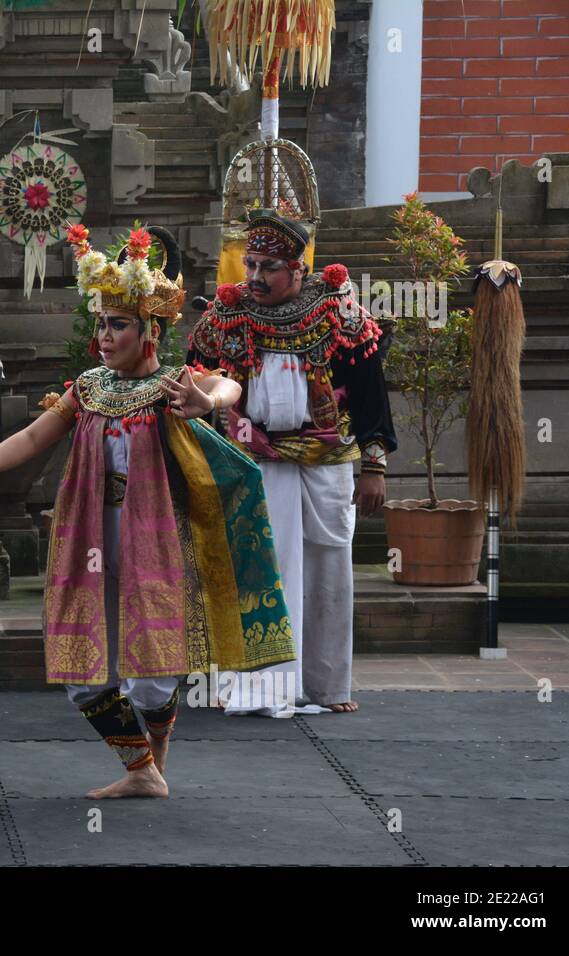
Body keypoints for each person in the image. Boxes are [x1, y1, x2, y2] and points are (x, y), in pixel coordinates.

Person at [0, 224, 295, 797]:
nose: (106, 335)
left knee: (154, 666)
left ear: (150, 330)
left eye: (119, 324)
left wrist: (207, 400)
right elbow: (31, 438)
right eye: (102, 323)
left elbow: (226, 385)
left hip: (155, 539)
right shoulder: (88, 388)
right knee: (83, 666)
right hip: (90, 537)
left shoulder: (174, 387)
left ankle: (151, 768)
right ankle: (141, 771)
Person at [188, 209, 397, 715]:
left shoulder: (337, 312)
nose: (255, 277)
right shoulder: (225, 315)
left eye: (268, 267)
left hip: (326, 460)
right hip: (253, 461)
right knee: (261, 570)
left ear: (299, 269)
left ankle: (324, 688)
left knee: (328, 569)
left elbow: (371, 395)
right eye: (250, 264)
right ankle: (256, 687)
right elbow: (196, 382)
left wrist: (374, 466)